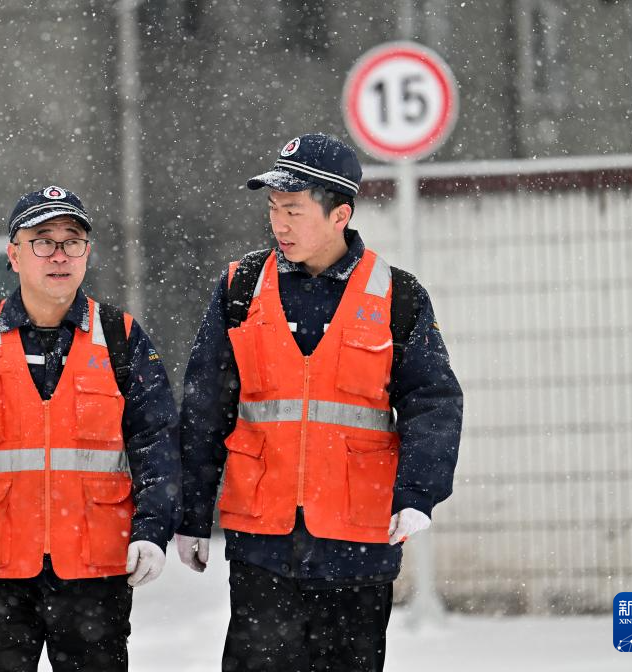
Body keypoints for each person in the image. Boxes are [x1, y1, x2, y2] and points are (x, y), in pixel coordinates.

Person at [175, 134, 463, 672]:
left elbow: (434, 400)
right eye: (272, 209)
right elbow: (204, 406)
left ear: (340, 214)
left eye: (293, 209)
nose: (278, 224)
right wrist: (191, 512)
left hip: (357, 542)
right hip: (262, 539)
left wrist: (418, 493)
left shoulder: (397, 295)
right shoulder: (239, 290)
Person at [0, 185, 181, 672]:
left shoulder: (120, 339)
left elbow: (156, 442)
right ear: (14, 254)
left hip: (95, 570)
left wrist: (153, 530)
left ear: (87, 254)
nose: (59, 254)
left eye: (72, 241)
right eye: (42, 240)